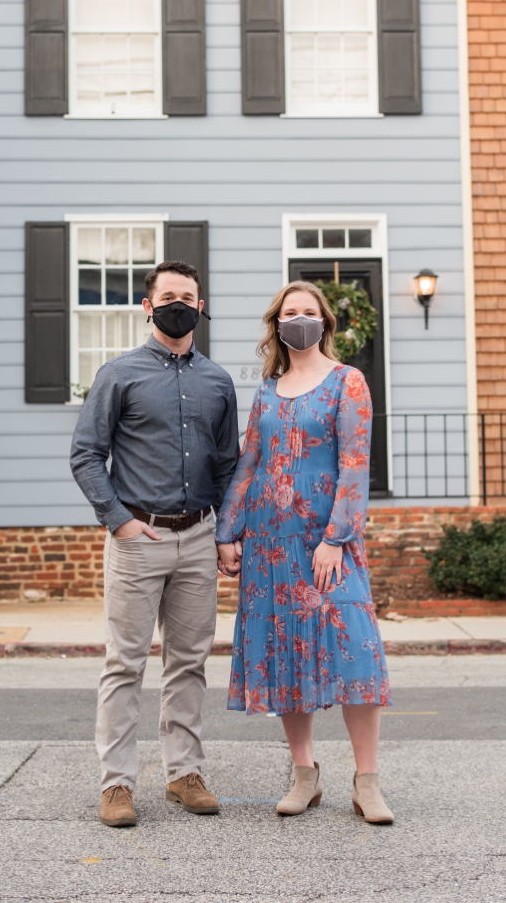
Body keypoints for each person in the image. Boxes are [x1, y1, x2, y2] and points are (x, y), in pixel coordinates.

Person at [70, 260, 240, 828]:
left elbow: (227, 465)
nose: (179, 304)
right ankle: (117, 784)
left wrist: (226, 533)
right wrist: (118, 520)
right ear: (148, 306)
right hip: (138, 535)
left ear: (200, 304)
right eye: (168, 295)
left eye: (188, 296)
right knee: (124, 664)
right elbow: (86, 454)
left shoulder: (217, 381)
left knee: (189, 663)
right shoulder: (119, 374)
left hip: (198, 537)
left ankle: (183, 773)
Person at [215, 280, 393, 823]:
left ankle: (367, 783)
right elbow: (249, 463)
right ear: (277, 324)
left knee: (354, 648)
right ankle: (305, 775)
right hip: (269, 544)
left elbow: (354, 464)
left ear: (324, 323)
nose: (299, 320)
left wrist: (336, 538)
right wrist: (228, 530)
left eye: (307, 312)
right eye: (289, 312)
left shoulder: (348, 382)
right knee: (287, 650)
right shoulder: (267, 390)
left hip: (326, 543)